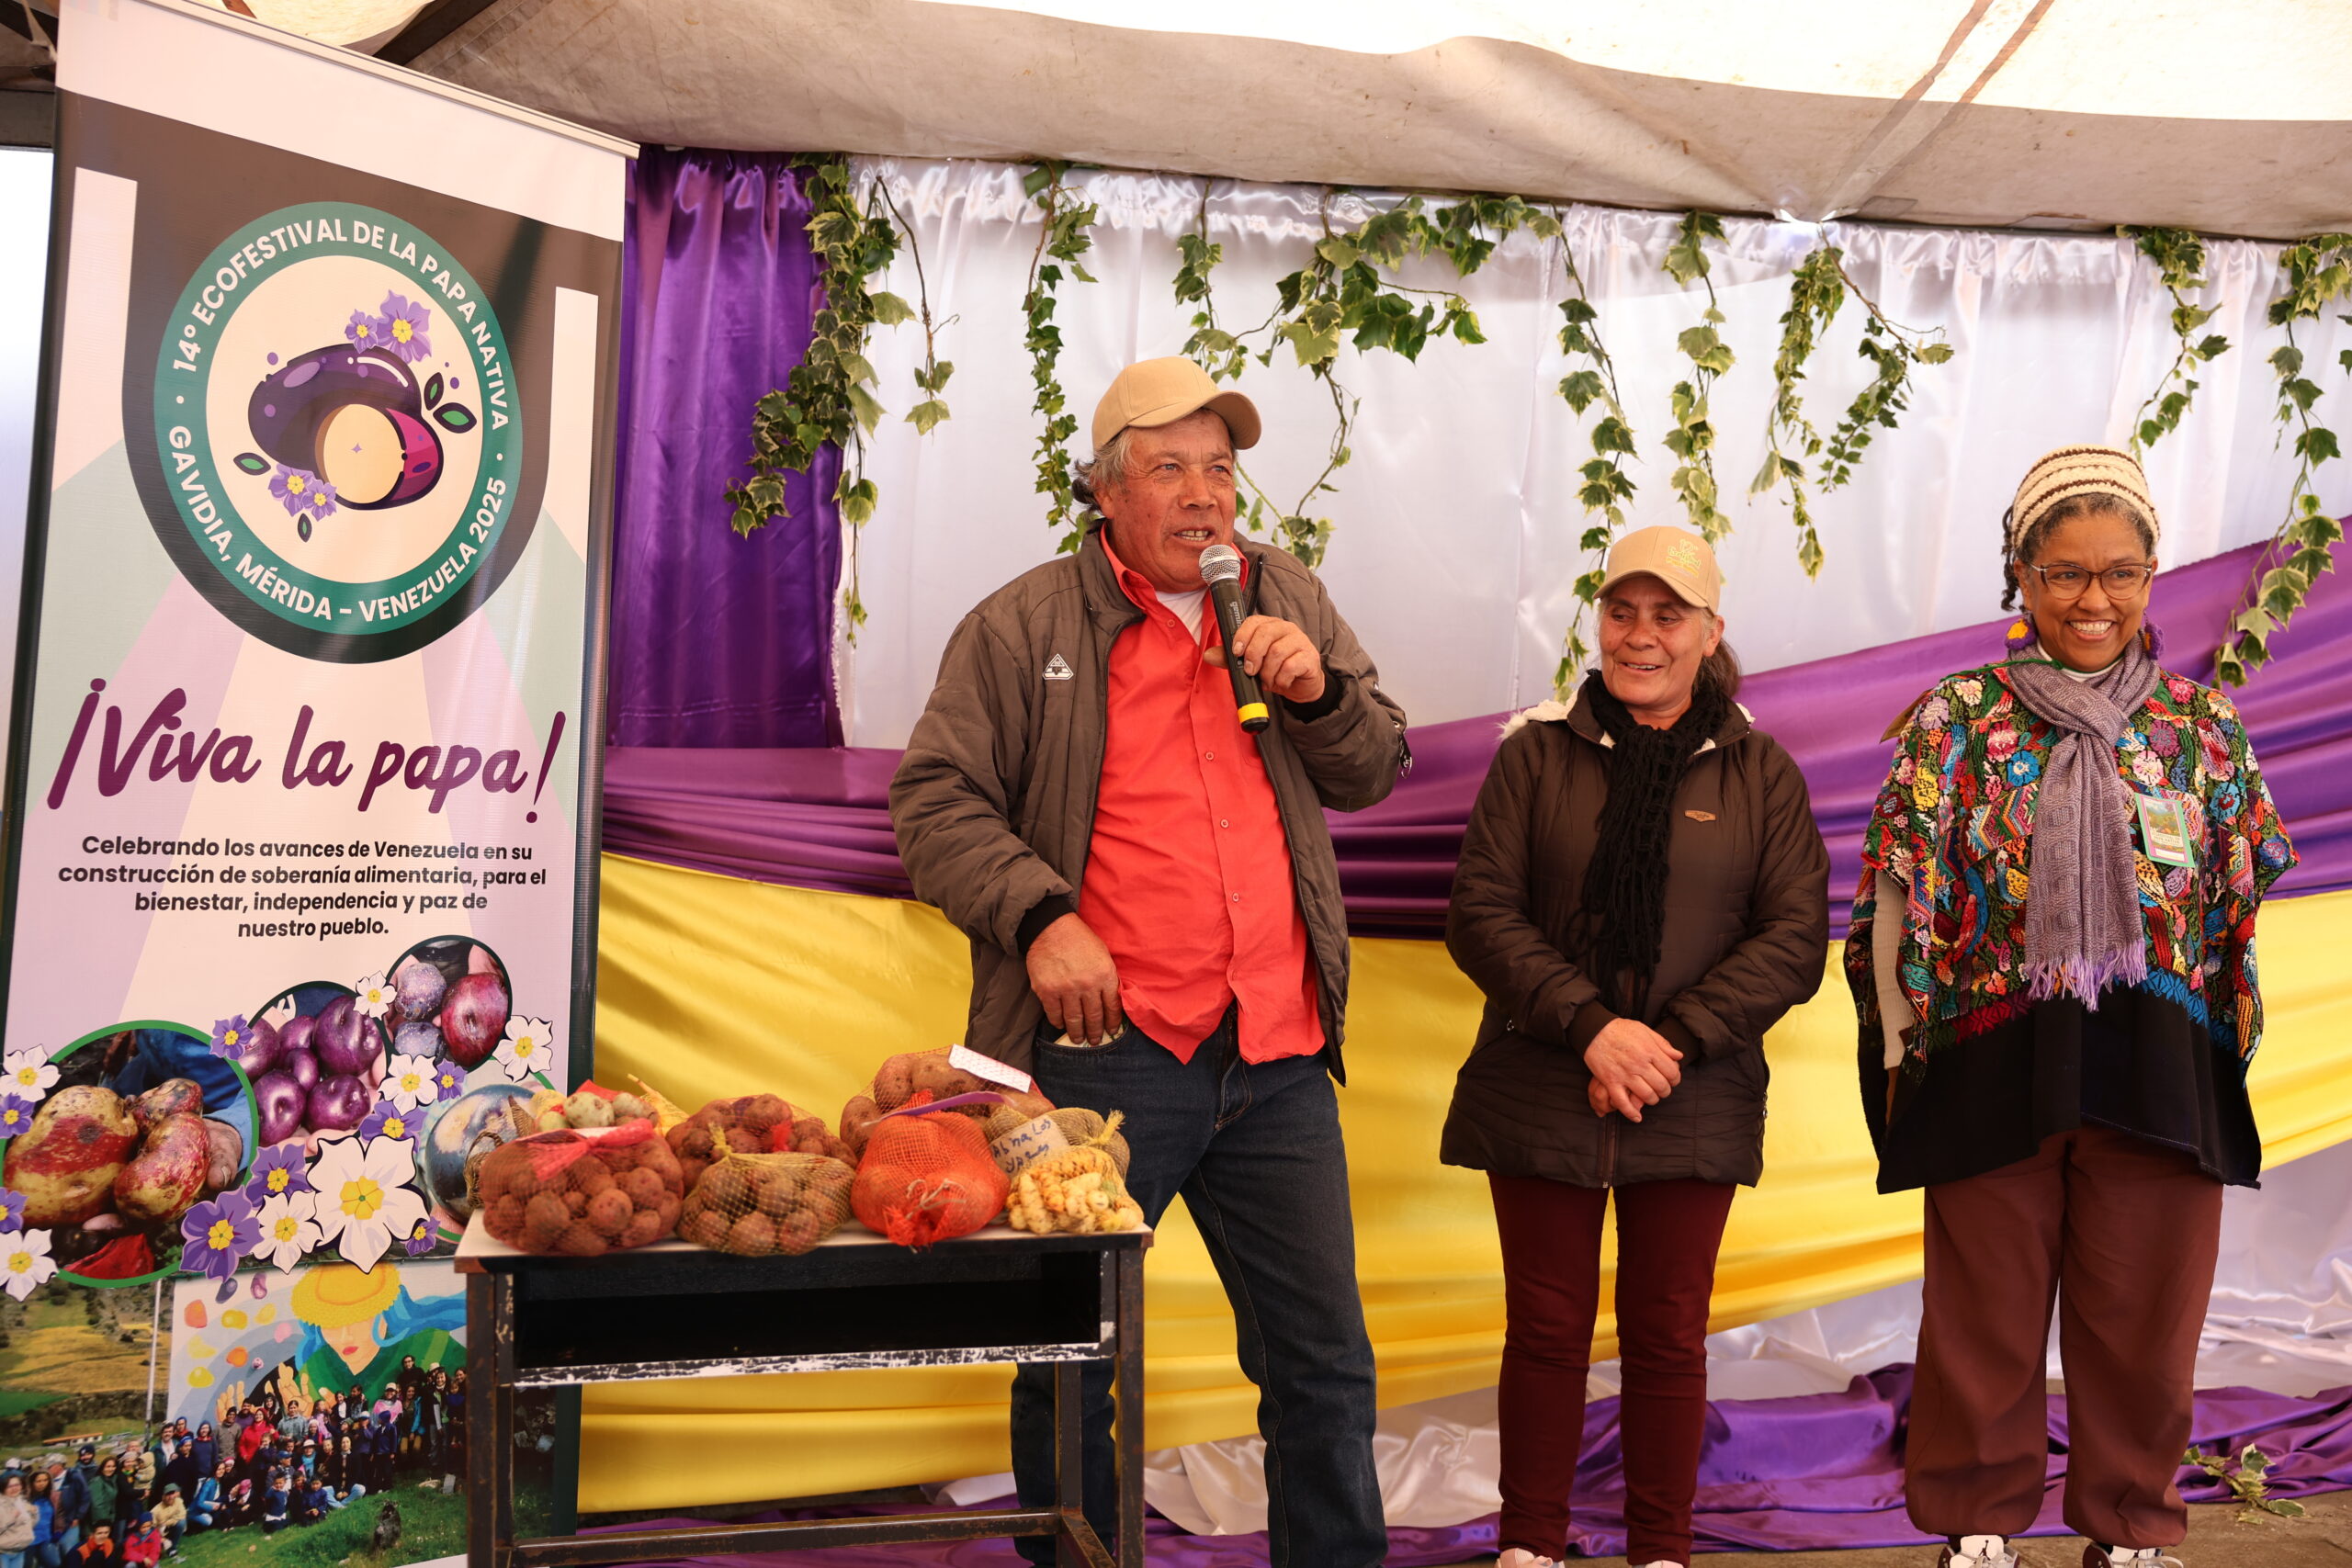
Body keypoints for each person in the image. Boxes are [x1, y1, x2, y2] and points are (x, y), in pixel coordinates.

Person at [890, 355, 1408, 1568]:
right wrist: (1040, 917)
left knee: (1322, 1360)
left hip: (1276, 1049)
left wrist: (1319, 693)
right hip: (1103, 1059)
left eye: (1218, 468)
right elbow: (934, 801)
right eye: (1169, 467)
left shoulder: (1284, 593)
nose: (1203, 494)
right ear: (1107, 489)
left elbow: (1375, 767)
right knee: (1073, 1356)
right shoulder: (1023, 624)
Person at [1849, 446, 2298, 1568]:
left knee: (2146, 1327)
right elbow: (1893, 897)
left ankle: (2130, 1530)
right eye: (2063, 573)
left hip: (2158, 1064)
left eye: (2119, 572)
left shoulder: (2203, 729)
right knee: (1983, 1322)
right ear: (2020, 575)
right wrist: (1900, 1052)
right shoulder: (1953, 720)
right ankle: (1977, 1528)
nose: (2093, 598)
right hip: (1989, 1059)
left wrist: (2219, 1053)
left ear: (2150, 575)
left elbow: (2234, 911)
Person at [1441, 525, 1830, 1568]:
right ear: (1599, 621)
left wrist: (1669, 1044)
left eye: (1668, 615)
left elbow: (1794, 938)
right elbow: (1481, 913)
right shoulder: (1534, 755)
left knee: (1667, 1333)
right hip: (1542, 1081)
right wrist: (1593, 1029)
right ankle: (1530, 1543)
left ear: (1710, 631)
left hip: (1692, 1091)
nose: (1640, 635)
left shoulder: (1761, 774)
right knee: (1545, 1328)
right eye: (1622, 611)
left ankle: (1661, 1547)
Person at [0, 1472, 39, 1568]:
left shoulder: (22, 1501)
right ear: (3, 1487)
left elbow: (31, 1526)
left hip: (20, 1550)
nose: (14, 1488)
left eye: (17, 1485)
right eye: (10, 1486)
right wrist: (11, 1517)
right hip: (3, 1553)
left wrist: (34, 1513)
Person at [28, 1470, 57, 1568]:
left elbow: (56, 1516)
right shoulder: (27, 1499)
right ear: (32, 1483)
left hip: (46, 1539)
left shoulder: (51, 1497)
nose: (42, 1483)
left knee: (55, 1563)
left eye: (45, 1480)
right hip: (29, 1541)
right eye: (38, 1481)